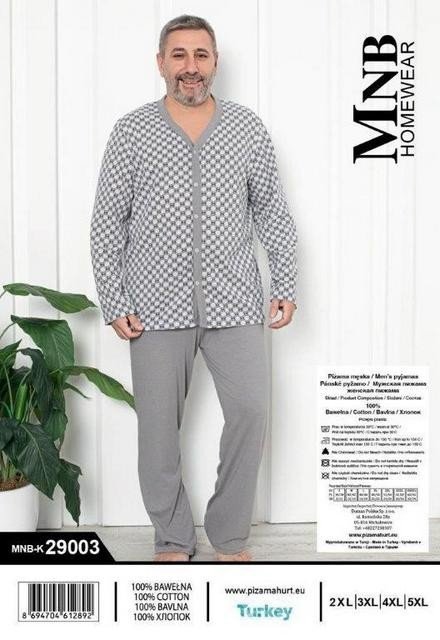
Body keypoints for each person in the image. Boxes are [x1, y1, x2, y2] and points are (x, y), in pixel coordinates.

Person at [90, 14, 298, 562]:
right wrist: (115, 299)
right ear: (161, 62)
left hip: (236, 300)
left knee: (251, 411)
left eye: (200, 55)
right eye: (179, 54)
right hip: (154, 307)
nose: (190, 66)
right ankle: (173, 537)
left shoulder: (246, 128)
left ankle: (228, 534)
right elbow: (108, 222)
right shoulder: (132, 131)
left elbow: (272, 211)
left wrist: (285, 281)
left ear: (215, 62)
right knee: (159, 432)